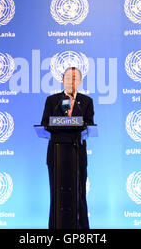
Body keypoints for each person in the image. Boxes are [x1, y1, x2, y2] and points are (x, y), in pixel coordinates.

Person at [41, 67, 94, 229]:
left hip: (77, 152)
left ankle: (82, 230)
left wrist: (75, 119)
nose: (71, 82)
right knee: (56, 194)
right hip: (56, 154)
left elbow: (89, 125)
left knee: (79, 194)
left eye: (75, 79)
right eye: (68, 78)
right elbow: (45, 124)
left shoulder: (86, 101)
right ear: (62, 80)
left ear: (80, 82)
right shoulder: (53, 100)